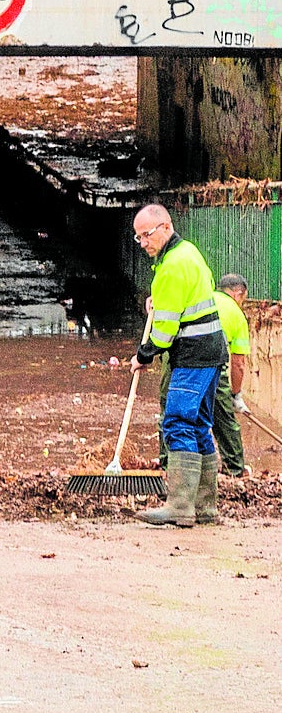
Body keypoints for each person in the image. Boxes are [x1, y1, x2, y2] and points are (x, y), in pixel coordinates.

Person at [130, 204, 227, 528]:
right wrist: (163, 299)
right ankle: (206, 508)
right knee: (199, 425)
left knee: (177, 422)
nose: (143, 242)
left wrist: (143, 355)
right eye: (138, 237)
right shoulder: (188, 252)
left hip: (193, 356)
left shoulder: (170, 268)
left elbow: (164, 334)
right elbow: (197, 290)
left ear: (165, 227)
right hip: (212, 350)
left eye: (147, 234)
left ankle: (180, 507)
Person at [157, 272, 250, 477]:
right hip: (209, 359)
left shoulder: (202, 298)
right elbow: (238, 363)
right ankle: (234, 469)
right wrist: (235, 394)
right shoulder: (236, 314)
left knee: (171, 409)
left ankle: (167, 465)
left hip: (174, 353)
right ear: (238, 294)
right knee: (221, 415)